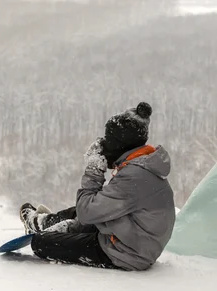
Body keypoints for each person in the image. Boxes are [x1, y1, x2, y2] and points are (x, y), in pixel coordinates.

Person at [19, 102, 175, 271]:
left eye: (108, 139)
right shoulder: (143, 166)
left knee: (41, 243)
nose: (103, 144)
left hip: (126, 253)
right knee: (81, 210)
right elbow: (96, 206)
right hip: (135, 238)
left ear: (119, 144)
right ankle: (42, 223)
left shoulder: (133, 177)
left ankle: (47, 232)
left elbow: (86, 212)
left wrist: (95, 167)